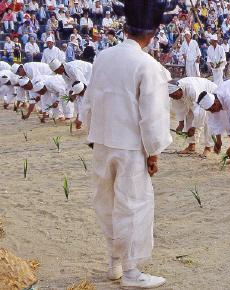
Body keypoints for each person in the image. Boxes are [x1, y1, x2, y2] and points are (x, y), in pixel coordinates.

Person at [80, 0, 175, 287]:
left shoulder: (103, 58)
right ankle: (132, 273)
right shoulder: (148, 65)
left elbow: (90, 100)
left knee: (107, 201)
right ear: (153, 33)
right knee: (133, 205)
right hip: (132, 146)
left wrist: (92, 133)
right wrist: (154, 152)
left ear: (126, 28)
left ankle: (114, 262)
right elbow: (152, 116)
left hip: (102, 140)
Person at [168, 77, 219, 156]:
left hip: (208, 94)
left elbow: (200, 112)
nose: (173, 97)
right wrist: (181, 124)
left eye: (174, 95)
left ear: (180, 89)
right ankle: (191, 145)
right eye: (171, 96)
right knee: (189, 116)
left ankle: (208, 147)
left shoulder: (192, 90)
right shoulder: (175, 94)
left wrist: (194, 127)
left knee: (207, 120)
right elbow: (179, 109)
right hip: (194, 100)